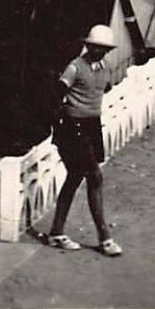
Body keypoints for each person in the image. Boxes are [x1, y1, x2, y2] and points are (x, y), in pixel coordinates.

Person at [41, 24, 125, 256]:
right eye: (95, 47)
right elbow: (55, 94)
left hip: (91, 126)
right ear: (87, 45)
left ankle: (56, 232)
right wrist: (60, 121)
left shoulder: (106, 67)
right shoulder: (75, 68)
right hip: (73, 127)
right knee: (95, 176)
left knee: (76, 176)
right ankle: (105, 237)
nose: (99, 52)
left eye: (104, 49)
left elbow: (102, 90)